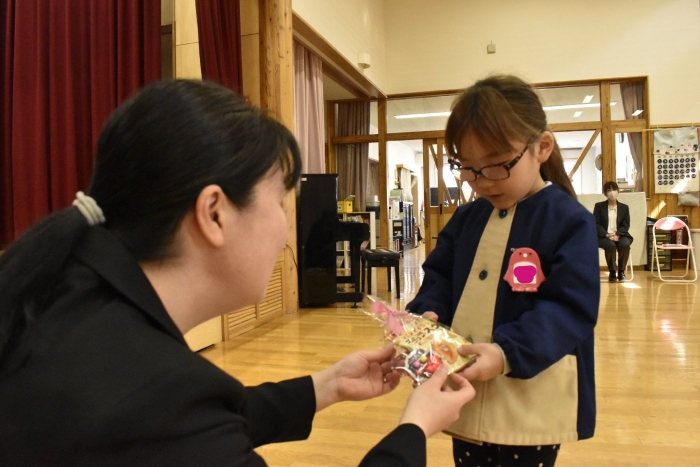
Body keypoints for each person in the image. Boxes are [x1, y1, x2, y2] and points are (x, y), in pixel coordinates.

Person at [0, 80, 475, 466]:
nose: (285, 228)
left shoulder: (61, 289)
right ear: (214, 213)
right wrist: (414, 429)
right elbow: (182, 420)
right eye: (279, 202)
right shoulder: (151, 397)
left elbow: (205, 418)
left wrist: (324, 387)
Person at [405, 75, 600, 467]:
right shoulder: (466, 218)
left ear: (542, 147)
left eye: (496, 166)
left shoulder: (569, 220)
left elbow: (570, 308)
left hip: (532, 398)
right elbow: (439, 278)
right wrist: (427, 314)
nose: (481, 182)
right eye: (468, 168)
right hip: (464, 392)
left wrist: (507, 351)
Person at [593, 181, 633, 282]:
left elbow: (626, 224)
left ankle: (621, 272)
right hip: (604, 236)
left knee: (625, 245)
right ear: (604, 193)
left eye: (614, 189)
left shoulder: (624, 207)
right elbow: (596, 223)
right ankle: (612, 272)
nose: (612, 192)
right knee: (610, 245)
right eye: (609, 190)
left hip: (621, 235)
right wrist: (607, 235)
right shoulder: (599, 206)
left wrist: (618, 234)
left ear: (618, 191)